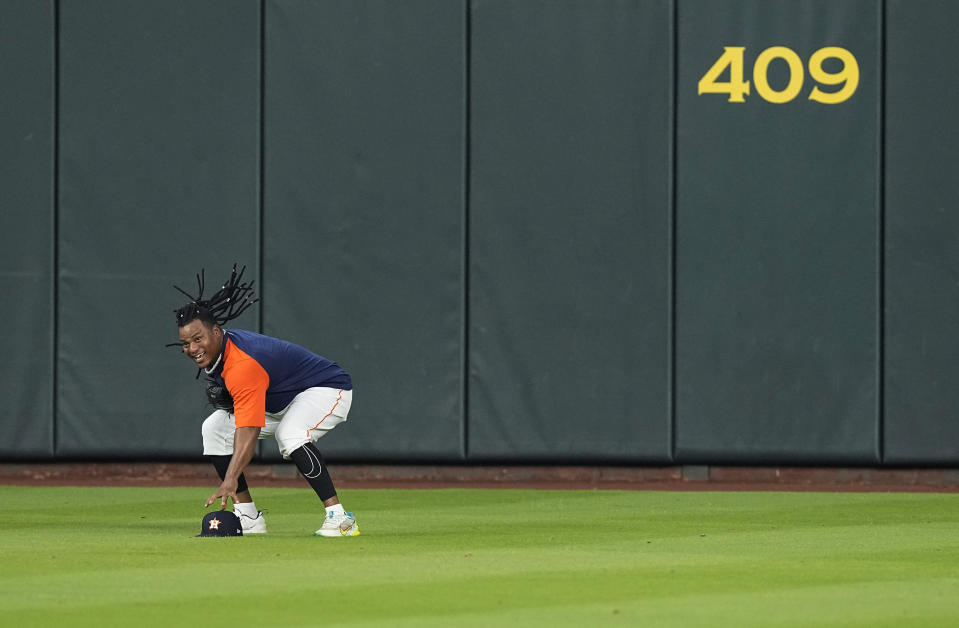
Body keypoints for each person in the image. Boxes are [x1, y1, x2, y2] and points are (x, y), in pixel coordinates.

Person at [170, 265, 359, 537]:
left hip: (327, 389)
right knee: (214, 429)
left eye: (197, 339)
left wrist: (231, 478)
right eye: (186, 343)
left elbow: (249, 428)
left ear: (216, 331)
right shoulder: (221, 353)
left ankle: (341, 519)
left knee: (290, 433)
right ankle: (247, 516)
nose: (192, 349)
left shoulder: (242, 364)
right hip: (281, 401)